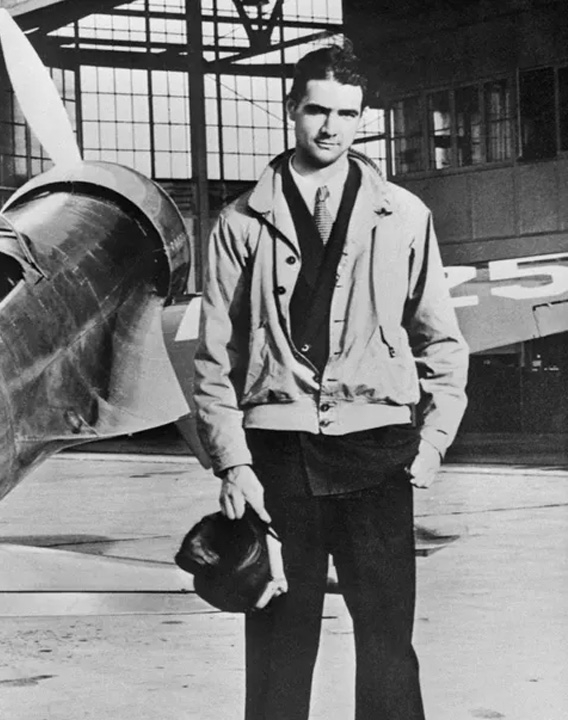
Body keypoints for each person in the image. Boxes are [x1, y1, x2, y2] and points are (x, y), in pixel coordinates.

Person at [192, 44, 469, 720]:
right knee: (279, 648)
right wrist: (233, 463)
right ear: (292, 109)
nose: (331, 127)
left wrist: (433, 443)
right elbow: (213, 358)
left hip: (377, 451)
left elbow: (440, 339)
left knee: (388, 646)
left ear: (362, 117)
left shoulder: (405, 215)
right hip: (279, 456)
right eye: (317, 110)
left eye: (347, 114)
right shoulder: (239, 223)